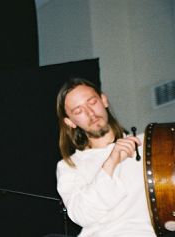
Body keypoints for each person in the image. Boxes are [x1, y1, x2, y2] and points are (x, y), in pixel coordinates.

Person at [55, 77, 156, 236]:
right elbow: (82, 215)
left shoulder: (148, 144)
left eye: (92, 102)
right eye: (78, 111)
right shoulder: (69, 165)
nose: (90, 113)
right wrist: (112, 161)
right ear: (70, 122)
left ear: (104, 100)